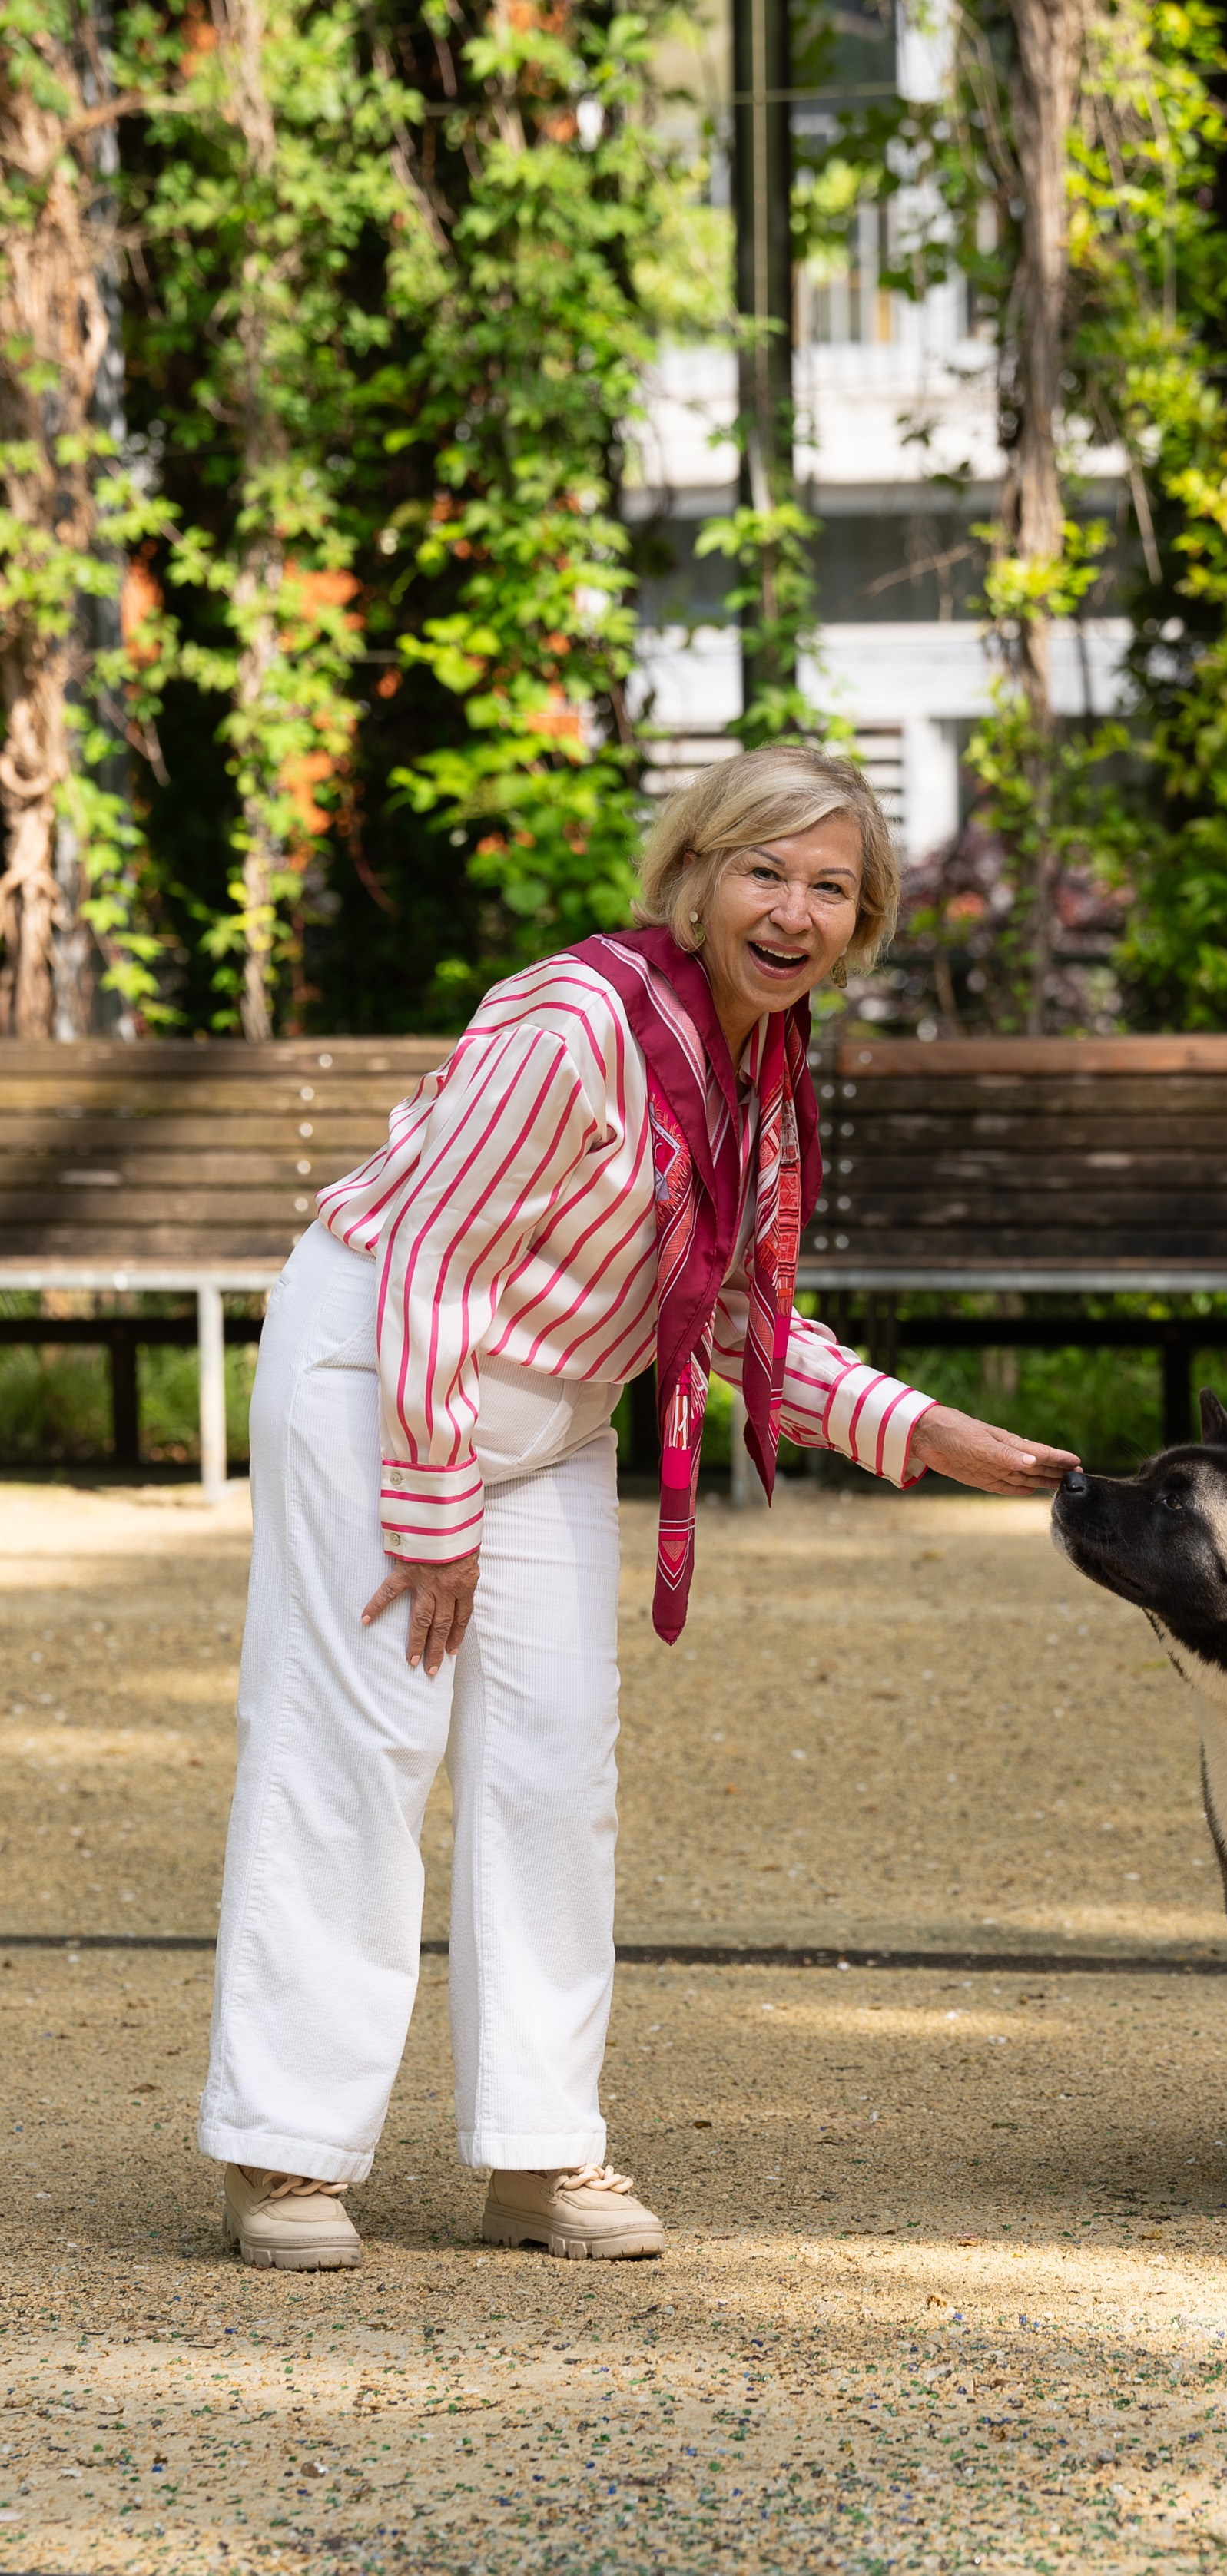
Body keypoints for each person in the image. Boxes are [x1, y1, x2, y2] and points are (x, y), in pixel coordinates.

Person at [197, 743, 1078, 2271]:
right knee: (360, 1742)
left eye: (829, 888)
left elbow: (741, 1322)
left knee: (552, 1767)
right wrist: (432, 1508)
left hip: (552, 1418)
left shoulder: (762, 1073)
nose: (793, 912)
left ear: (858, 923)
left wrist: (932, 1437)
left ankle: (541, 2151)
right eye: (764, 872)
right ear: (693, 876)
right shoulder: (574, 1022)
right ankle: (283, 2151)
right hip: (381, 1375)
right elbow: (428, 1267)